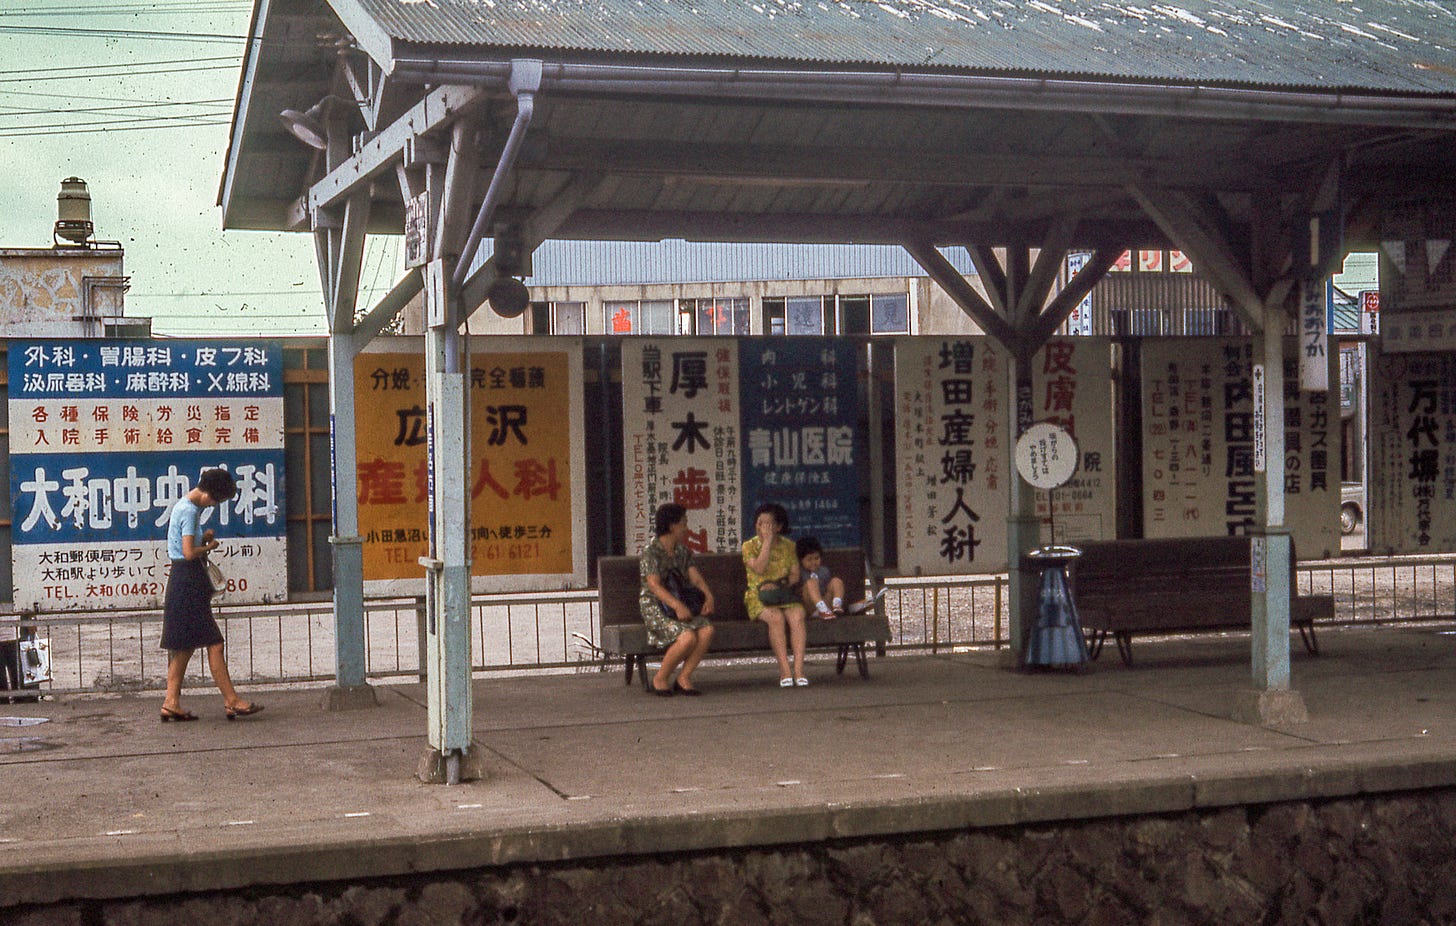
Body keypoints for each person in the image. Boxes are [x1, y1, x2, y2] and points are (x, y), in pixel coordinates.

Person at [159, 468, 263, 722]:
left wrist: (201, 538)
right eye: (217, 500)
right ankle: (232, 700)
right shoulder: (191, 510)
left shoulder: (183, 506)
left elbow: (182, 544)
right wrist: (209, 546)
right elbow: (187, 552)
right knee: (214, 643)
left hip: (182, 580)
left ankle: (171, 702)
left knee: (184, 646)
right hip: (189, 579)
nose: (215, 505)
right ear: (208, 494)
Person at [638, 503, 715, 696]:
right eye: (683, 523)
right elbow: (654, 585)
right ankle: (660, 678)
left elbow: (695, 577)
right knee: (687, 636)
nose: (686, 527)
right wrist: (678, 606)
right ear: (672, 526)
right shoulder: (650, 552)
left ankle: (684, 677)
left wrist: (708, 595)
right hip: (657, 606)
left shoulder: (681, 551)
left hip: (680, 604)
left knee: (706, 630)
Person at [742, 502, 809, 687]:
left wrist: (780, 584)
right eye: (759, 522)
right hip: (759, 597)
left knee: (797, 615)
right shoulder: (749, 546)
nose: (761, 527)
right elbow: (759, 568)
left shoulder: (789, 546)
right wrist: (767, 542)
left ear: (778, 526)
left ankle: (799, 670)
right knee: (776, 618)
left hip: (784, 594)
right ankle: (784, 671)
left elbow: (795, 575)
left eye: (767, 523)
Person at [796, 536, 886, 619]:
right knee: (811, 583)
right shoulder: (799, 572)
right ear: (801, 560)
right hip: (810, 607)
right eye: (809, 559)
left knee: (836, 581)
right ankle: (822, 609)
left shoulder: (824, 571)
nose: (813, 562)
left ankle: (837, 605)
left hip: (826, 602)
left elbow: (828, 588)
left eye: (816, 558)